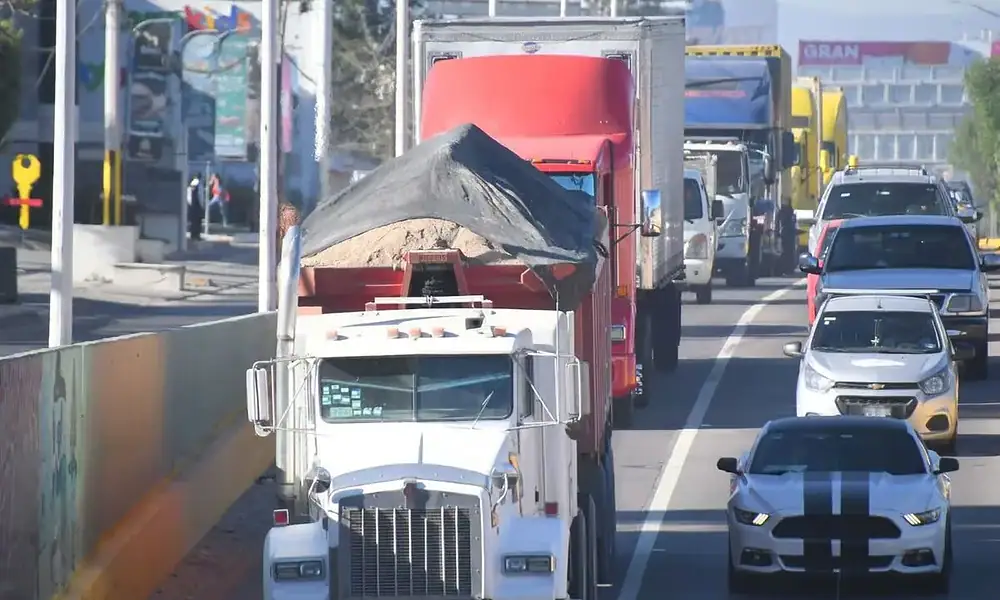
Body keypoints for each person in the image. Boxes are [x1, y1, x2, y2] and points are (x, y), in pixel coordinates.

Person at [187, 176, 203, 240]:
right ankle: (196, 235)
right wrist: (202, 205)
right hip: (197, 206)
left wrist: (190, 204)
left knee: (193, 222)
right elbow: (200, 196)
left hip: (192, 206)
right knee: (197, 222)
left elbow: (189, 198)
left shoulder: (189, 188)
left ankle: (193, 235)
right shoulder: (199, 185)